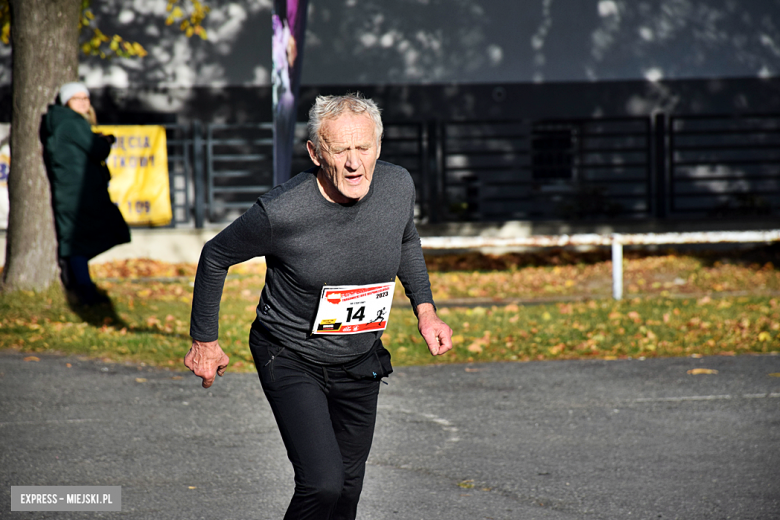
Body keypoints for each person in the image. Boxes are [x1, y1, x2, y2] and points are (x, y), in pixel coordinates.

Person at [186, 92, 453, 520]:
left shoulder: (398, 185)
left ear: (378, 147)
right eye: (340, 149)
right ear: (314, 152)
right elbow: (215, 255)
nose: (354, 162)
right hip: (290, 355)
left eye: (363, 148)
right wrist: (205, 341)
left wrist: (425, 309)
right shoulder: (281, 211)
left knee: (347, 489)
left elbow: (405, 239)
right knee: (322, 483)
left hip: (360, 356)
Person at [42, 82, 130, 305]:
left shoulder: (60, 121)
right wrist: (106, 141)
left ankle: (76, 277)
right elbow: (97, 149)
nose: (83, 102)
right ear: (66, 102)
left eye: (85, 98)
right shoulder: (71, 122)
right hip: (79, 194)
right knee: (82, 241)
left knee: (79, 240)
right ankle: (83, 289)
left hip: (73, 192)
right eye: (76, 98)